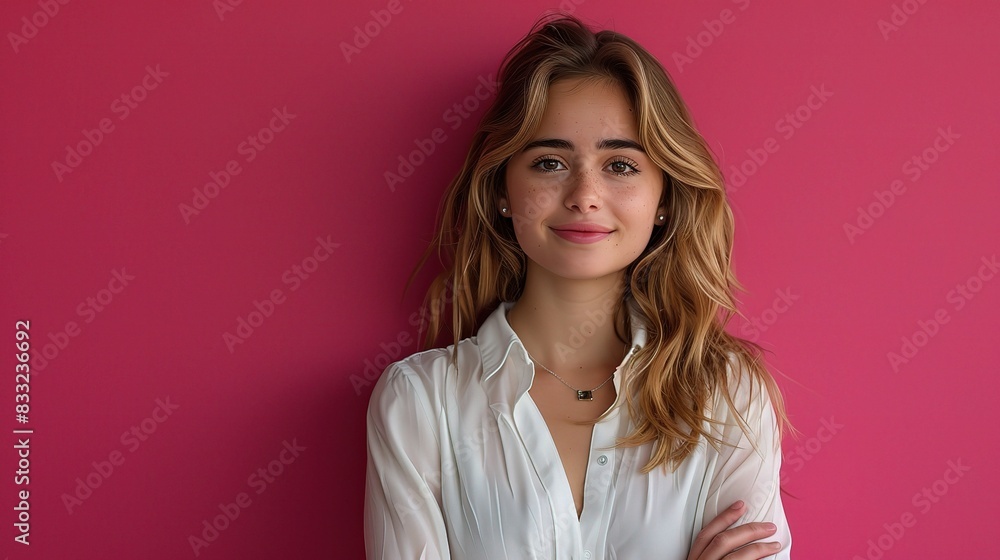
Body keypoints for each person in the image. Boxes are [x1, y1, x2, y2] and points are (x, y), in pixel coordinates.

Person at [364, 11, 792, 560]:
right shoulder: (420, 404)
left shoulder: (727, 394)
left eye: (620, 165)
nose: (584, 194)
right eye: (549, 162)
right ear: (502, 190)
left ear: (663, 199)